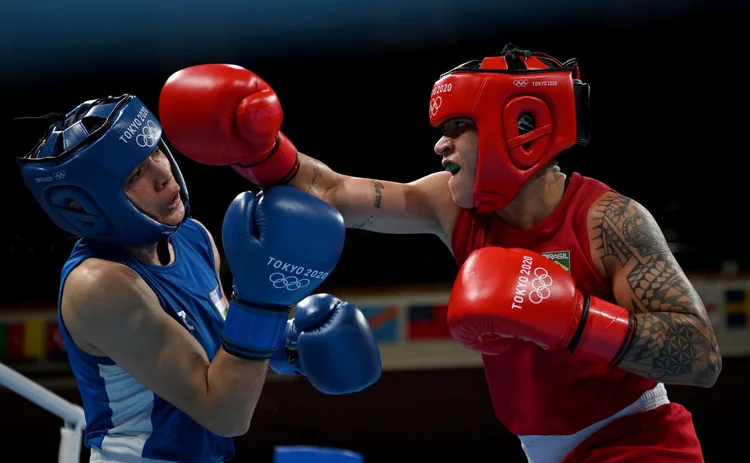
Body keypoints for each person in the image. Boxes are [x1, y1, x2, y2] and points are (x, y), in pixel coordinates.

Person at [156, 43, 722, 462]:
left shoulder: (608, 220)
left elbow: (701, 357)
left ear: (520, 127)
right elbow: (330, 191)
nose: (439, 144)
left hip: (639, 444)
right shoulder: (452, 207)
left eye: (458, 127)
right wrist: (260, 149)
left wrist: (573, 320)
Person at [15, 94, 382, 463]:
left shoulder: (193, 237)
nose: (162, 175)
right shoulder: (99, 283)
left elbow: (221, 342)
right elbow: (224, 413)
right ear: (83, 205)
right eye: (135, 174)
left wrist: (286, 345)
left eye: (155, 153)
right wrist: (263, 301)